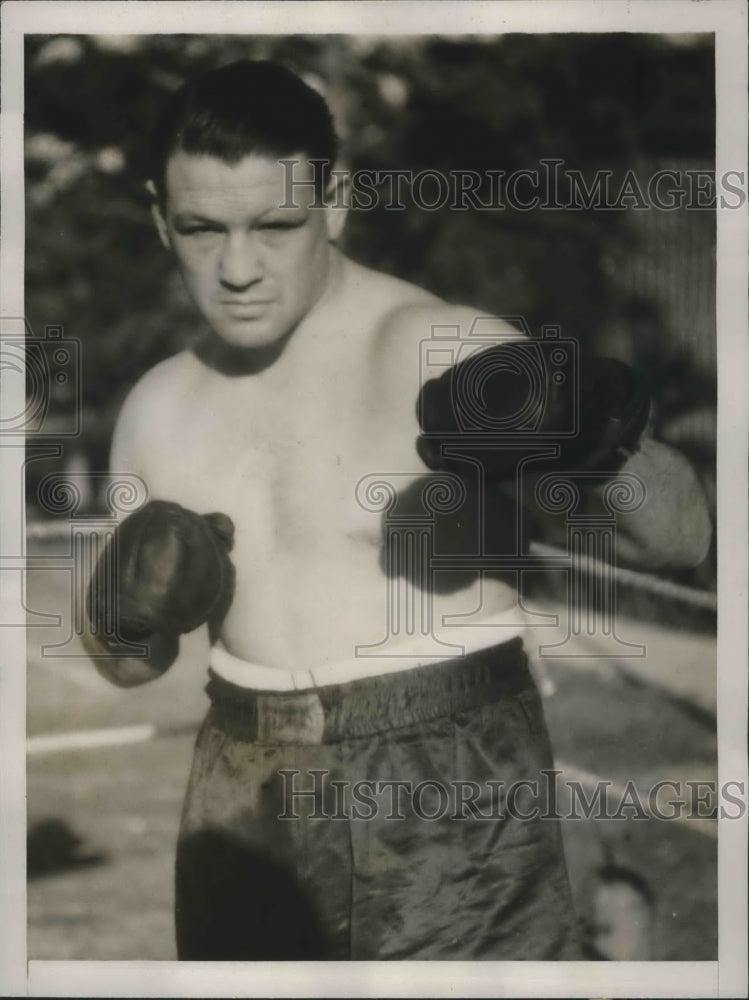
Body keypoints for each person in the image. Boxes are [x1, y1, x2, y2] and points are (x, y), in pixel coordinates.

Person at [83, 60, 711, 960]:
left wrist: (598, 445)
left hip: (447, 788)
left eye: (275, 226)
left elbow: (680, 537)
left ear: (334, 201)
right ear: (158, 217)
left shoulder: (440, 349)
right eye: (200, 228)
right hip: (240, 786)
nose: (236, 268)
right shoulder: (155, 407)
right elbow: (123, 664)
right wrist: (126, 605)